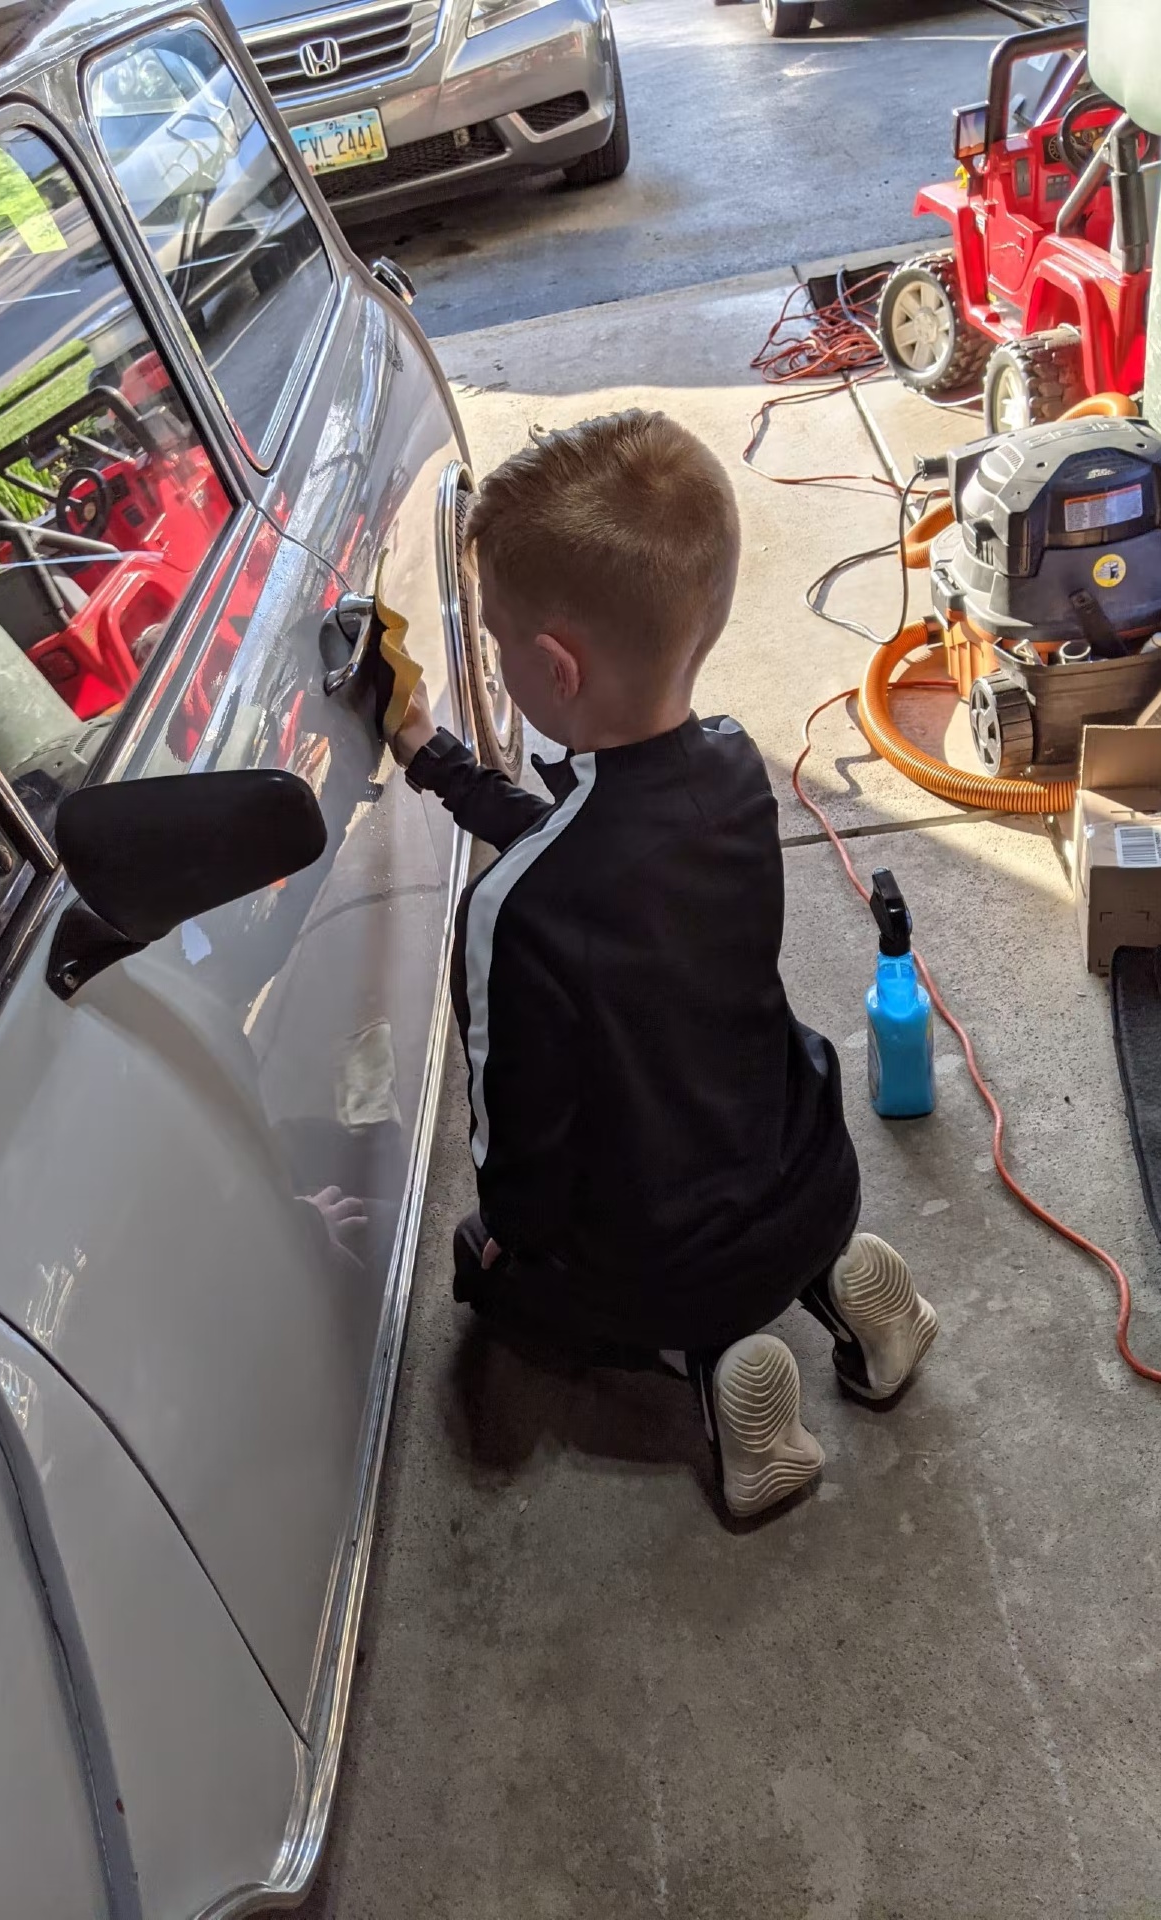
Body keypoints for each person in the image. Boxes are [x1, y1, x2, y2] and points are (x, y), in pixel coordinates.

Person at [390, 410, 938, 1519]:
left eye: (496, 644)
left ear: (554, 667)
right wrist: (433, 761)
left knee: (484, 1262)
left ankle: (726, 1381)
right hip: (808, 1169)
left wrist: (503, 1248)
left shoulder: (514, 911)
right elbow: (584, 830)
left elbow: (519, 1162)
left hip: (670, 1265)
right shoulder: (737, 769)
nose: (494, 661)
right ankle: (855, 1291)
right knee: (737, 1180)